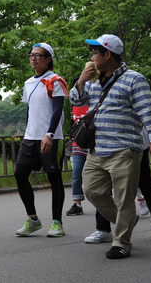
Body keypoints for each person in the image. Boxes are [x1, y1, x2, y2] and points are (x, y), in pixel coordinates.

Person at [70, 34, 151, 259]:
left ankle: (121, 242)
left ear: (107, 55)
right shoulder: (93, 80)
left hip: (125, 148)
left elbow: (148, 111)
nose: (92, 57)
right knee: (91, 190)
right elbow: (77, 101)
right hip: (97, 148)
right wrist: (81, 81)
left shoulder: (134, 79)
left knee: (125, 198)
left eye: (95, 53)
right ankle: (128, 219)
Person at [13, 43, 67, 237]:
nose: (33, 58)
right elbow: (30, 111)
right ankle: (33, 219)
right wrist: (28, 132)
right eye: (31, 55)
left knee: (54, 178)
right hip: (30, 137)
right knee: (20, 174)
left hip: (51, 137)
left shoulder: (55, 80)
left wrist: (49, 134)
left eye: (38, 55)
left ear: (48, 59)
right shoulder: (28, 83)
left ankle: (57, 222)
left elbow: (57, 110)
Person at [85, 127, 151, 244]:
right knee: (102, 189)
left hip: (133, 144)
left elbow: (148, 115)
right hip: (105, 143)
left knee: (144, 183)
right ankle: (103, 228)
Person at [67, 85, 89, 216]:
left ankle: (109, 201)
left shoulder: (93, 103)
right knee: (76, 173)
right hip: (77, 144)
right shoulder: (73, 106)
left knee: (106, 174)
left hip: (93, 144)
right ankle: (77, 204)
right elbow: (73, 125)